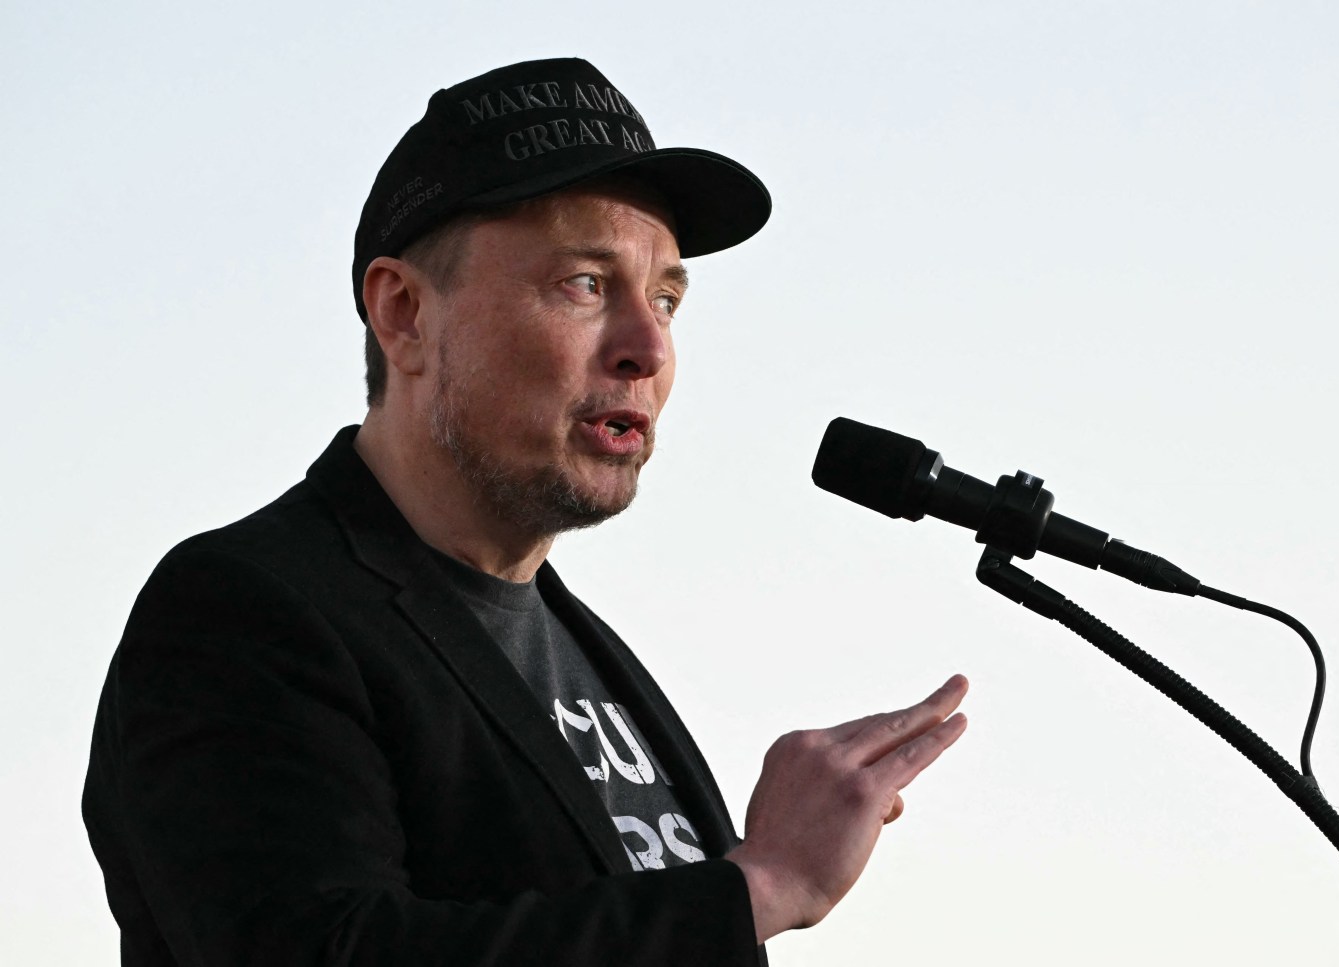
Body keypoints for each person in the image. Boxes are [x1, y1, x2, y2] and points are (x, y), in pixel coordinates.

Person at [82, 57, 969, 966]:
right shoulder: (244, 606)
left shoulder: (584, 651)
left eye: (666, 298)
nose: (649, 346)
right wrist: (759, 886)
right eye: (586, 283)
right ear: (405, 313)